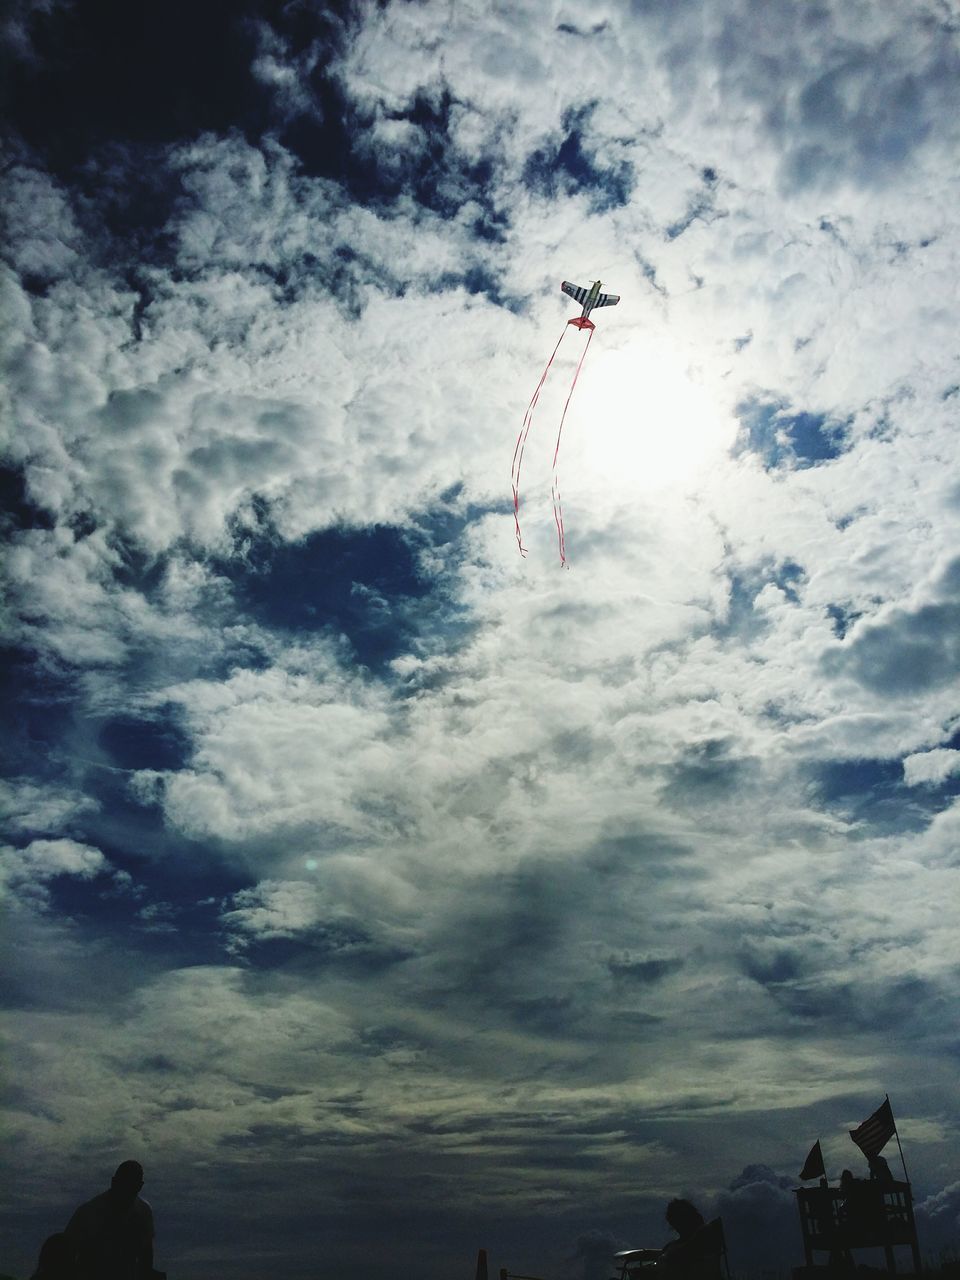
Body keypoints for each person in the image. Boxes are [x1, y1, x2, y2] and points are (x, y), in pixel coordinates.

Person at [64, 1160, 163, 1280]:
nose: (126, 1193)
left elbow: (146, 1253)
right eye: (124, 1185)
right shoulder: (90, 1212)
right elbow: (68, 1249)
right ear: (114, 1182)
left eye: (131, 1187)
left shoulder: (143, 1211)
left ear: (139, 1187)